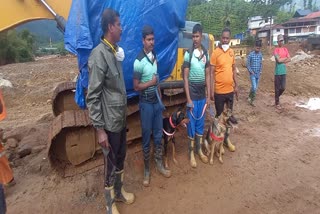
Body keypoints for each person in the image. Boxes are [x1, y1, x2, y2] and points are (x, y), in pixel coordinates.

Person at [86, 8, 135, 214]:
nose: (122, 29)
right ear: (110, 27)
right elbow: (93, 95)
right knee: (110, 162)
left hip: (119, 119)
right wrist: (99, 130)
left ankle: (119, 192)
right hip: (109, 123)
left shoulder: (113, 52)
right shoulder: (99, 56)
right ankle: (109, 203)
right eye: (119, 25)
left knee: (121, 157)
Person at [133, 25, 171, 187]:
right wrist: (151, 83)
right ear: (143, 41)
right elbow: (136, 86)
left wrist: (160, 96)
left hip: (156, 103)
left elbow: (157, 78)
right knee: (147, 136)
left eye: (153, 39)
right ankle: (147, 170)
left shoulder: (154, 56)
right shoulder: (138, 61)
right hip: (146, 103)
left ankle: (159, 164)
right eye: (149, 40)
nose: (152, 42)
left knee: (158, 135)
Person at [183, 24, 210, 168]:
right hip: (192, 95)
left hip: (202, 96)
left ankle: (199, 150)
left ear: (202, 36)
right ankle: (191, 153)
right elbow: (185, 78)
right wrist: (188, 99)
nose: (195, 39)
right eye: (193, 36)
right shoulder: (188, 53)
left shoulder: (206, 53)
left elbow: (208, 76)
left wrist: (209, 96)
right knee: (191, 125)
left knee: (200, 124)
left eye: (197, 36)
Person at [210, 28, 238, 152]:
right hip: (219, 91)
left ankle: (226, 140)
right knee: (220, 117)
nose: (225, 40)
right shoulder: (215, 53)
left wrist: (236, 86)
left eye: (227, 38)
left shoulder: (232, 52)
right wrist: (210, 91)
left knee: (229, 116)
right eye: (223, 38)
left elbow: (233, 70)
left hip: (230, 90)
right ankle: (217, 140)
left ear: (229, 39)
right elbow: (211, 73)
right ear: (221, 38)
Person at [273, 34, 290, 110]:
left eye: (282, 40)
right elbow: (278, 60)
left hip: (284, 71)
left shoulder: (285, 49)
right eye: (280, 41)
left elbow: (290, 59)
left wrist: (282, 59)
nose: (281, 42)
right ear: (277, 42)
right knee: (277, 88)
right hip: (277, 72)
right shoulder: (276, 50)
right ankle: (277, 103)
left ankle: (276, 98)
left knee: (283, 88)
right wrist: (285, 58)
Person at [246, 40, 263, 106]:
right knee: (255, 87)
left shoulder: (260, 55)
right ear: (254, 47)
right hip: (252, 74)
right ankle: (252, 100)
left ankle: (249, 97)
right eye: (257, 48)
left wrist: (260, 71)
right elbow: (248, 65)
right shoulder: (251, 55)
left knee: (253, 87)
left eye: (259, 48)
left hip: (258, 74)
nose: (258, 49)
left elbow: (261, 63)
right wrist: (251, 72)